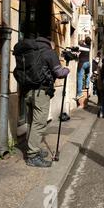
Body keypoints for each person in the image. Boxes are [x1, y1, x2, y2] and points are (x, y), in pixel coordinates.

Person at [19, 35, 70, 167]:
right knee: (40, 123)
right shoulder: (49, 52)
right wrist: (67, 69)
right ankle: (32, 156)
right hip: (41, 92)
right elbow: (59, 73)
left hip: (27, 91)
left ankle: (32, 149)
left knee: (31, 122)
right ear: (51, 44)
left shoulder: (31, 51)